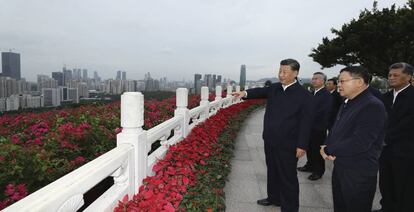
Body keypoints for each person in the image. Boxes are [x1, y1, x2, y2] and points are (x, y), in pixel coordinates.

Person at [232, 59, 312, 212]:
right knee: (272, 170)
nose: (281, 75)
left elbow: (306, 123)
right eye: (280, 71)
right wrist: (244, 93)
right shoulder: (275, 88)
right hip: (270, 140)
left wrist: (302, 145)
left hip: (289, 144)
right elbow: (260, 91)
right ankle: (274, 197)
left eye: (285, 72)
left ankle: (290, 208)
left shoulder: (304, 95)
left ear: (295, 73)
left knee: (288, 178)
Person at [320, 66, 386, 212]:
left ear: (359, 82)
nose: (339, 85)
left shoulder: (372, 106)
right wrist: (326, 144)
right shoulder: (348, 102)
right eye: (338, 81)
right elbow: (336, 129)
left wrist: (329, 149)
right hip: (341, 166)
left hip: (358, 172)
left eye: (342, 81)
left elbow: (360, 142)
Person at [375, 62, 414, 212]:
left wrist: (385, 137)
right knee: (385, 182)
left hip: (406, 150)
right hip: (385, 150)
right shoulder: (384, 97)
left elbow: (408, 123)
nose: (391, 78)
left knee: (404, 185)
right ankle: (387, 207)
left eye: (396, 75)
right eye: (390, 75)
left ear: (409, 76)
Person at [297, 72, 332, 181]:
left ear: (323, 81)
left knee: (317, 150)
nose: (313, 80)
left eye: (316, 79)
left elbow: (322, 112)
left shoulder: (326, 95)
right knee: (310, 148)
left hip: (318, 128)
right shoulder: (312, 93)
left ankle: (318, 171)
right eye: (313, 78)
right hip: (309, 127)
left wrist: (307, 116)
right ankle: (310, 165)